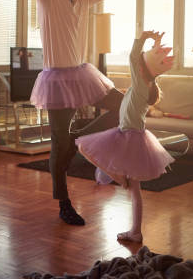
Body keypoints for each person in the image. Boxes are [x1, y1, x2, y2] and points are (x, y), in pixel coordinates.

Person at [26, 0, 126, 226]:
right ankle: (64, 204)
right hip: (55, 81)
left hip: (83, 75)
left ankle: (80, 140)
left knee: (124, 105)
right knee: (58, 144)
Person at [75, 30, 176, 242]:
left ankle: (120, 178)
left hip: (128, 136)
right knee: (135, 192)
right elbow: (141, 60)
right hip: (133, 136)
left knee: (84, 147)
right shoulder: (146, 86)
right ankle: (136, 231)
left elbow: (133, 58)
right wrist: (155, 43)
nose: (136, 66)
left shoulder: (140, 85)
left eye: (140, 65)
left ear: (142, 70)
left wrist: (142, 38)